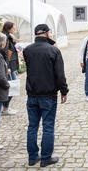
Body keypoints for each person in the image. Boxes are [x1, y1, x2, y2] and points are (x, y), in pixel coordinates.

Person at [24, 24, 69, 167]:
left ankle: (32, 157)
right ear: (47, 33)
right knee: (48, 126)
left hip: (32, 93)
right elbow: (60, 75)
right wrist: (64, 91)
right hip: (48, 94)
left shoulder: (27, 50)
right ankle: (45, 158)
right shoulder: (53, 51)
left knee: (32, 126)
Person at [1, 21, 19, 115]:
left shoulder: (9, 37)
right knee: (12, 86)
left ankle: (5, 107)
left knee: (12, 86)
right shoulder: (6, 38)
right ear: (9, 28)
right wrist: (7, 67)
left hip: (10, 65)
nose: (14, 30)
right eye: (13, 28)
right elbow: (5, 53)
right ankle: (5, 108)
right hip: (8, 66)